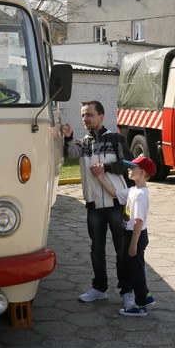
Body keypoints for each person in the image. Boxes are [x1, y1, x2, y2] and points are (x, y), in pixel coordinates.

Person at [62, 100, 131, 303]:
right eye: (83, 115)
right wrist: (68, 137)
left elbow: (130, 164)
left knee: (121, 249)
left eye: (89, 115)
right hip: (93, 206)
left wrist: (107, 168)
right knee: (96, 249)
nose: (85, 119)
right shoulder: (83, 144)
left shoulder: (116, 139)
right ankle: (99, 288)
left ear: (101, 116)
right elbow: (69, 153)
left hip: (116, 204)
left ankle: (127, 292)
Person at [92, 156, 158, 316]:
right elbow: (114, 192)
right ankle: (147, 296)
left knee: (135, 271)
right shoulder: (133, 190)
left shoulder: (141, 195)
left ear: (142, 172)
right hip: (131, 234)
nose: (128, 169)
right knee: (134, 268)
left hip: (136, 235)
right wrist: (100, 177)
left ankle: (140, 305)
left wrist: (133, 244)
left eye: (132, 168)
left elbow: (139, 221)